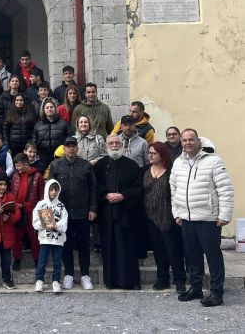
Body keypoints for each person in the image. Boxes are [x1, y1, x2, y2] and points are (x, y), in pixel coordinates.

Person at [170, 129, 234, 307]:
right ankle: (196, 287)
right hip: (187, 219)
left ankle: (216, 292)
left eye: (191, 139)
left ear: (198, 141)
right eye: (184, 140)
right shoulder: (178, 163)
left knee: (213, 257)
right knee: (192, 256)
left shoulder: (214, 161)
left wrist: (224, 215)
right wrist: (177, 213)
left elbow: (225, 190)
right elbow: (173, 190)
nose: (187, 143)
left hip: (209, 219)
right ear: (181, 142)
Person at [94, 134, 143, 290]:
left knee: (127, 248)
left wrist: (123, 195)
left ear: (122, 145)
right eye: (111, 143)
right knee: (108, 249)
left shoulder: (132, 165)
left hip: (125, 214)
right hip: (106, 215)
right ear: (106, 146)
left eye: (117, 143)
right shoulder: (99, 166)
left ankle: (131, 282)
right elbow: (95, 186)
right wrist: (106, 194)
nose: (114, 145)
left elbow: (138, 187)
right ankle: (111, 281)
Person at [48, 136, 97, 291]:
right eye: (68, 146)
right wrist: (52, 213)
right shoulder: (55, 165)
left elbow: (93, 189)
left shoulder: (86, 165)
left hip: (83, 212)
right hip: (63, 214)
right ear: (64, 148)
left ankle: (85, 275)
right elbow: (50, 190)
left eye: (73, 146)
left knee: (84, 245)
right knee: (66, 245)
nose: (71, 149)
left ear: (77, 148)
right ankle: (68, 274)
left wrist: (93, 208)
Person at [143, 143, 186, 293]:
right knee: (158, 250)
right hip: (150, 218)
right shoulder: (145, 171)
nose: (150, 155)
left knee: (173, 250)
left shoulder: (171, 172)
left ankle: (180, 280)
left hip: (168, 217)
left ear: (162, 155)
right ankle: (163, 279)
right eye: (149, 153)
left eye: (154, 153)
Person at [33, 179, 68, 293]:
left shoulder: (61, 206)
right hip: (45, 239)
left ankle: (56, 281)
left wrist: (56, 226)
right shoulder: (41, 204)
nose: (53, 192)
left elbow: (64, 222)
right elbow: (35, 222)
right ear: (47, 190)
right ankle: (39, 281)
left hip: (58, 239)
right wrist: (44, 225)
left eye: (56, 190)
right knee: (42, 261)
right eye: (51, 189)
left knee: (57, 262)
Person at [11, 153, 44, 271]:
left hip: (33, 212)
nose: (17, 168)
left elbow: (42, 196)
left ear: (26, 164)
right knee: (17, 237)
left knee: (35, 237)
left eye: (18, 166)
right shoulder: (15, 176)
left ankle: (37, 259)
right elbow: (12, 193)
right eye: (15, 166)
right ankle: (17, 259)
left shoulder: (38, 176)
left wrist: (40, 212)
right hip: (18, 211)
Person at [33, 98, 71, 169]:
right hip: (42, 156)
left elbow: (68, 138)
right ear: (44, 110)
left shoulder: (63, 123)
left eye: (51, 107)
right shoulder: (38, 125)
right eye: (47, 107)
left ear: (55, 109)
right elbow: (34, 140)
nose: (49, 109)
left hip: (58, 155)